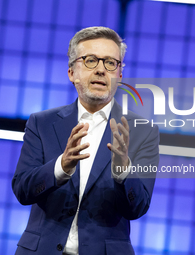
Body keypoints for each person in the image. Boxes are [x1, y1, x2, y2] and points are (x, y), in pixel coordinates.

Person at [12, 26, 159, 255]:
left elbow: (138, 207)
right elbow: (22, 189)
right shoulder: (41, 123)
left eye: (111, 63)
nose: (101, 70)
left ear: (119, 75)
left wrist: (123, 171)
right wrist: (61, 166)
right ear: (71, 72)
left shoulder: (143, 132)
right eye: (91, 60)